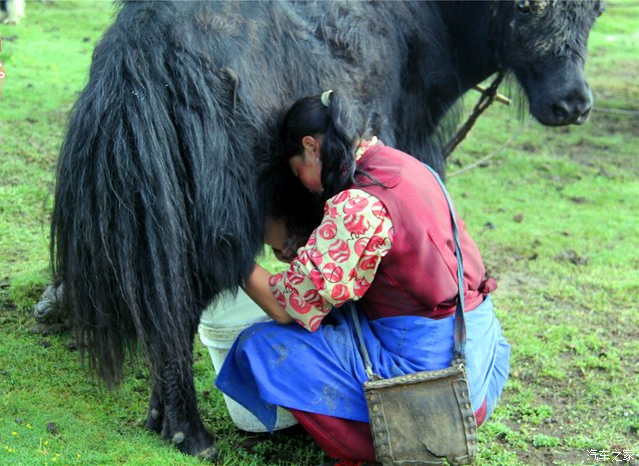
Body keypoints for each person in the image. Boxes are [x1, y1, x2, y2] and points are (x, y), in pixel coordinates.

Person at [215, 90, 510, 464]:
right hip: (476, 351)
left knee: (261, 345)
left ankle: (367, 445)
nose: (305, 183)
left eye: (297, 170)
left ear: (311, 147)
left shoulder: (358, 206)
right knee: (334, 315)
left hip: (428, 373)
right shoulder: (405, 164)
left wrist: (230, 259)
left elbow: (284, 306)